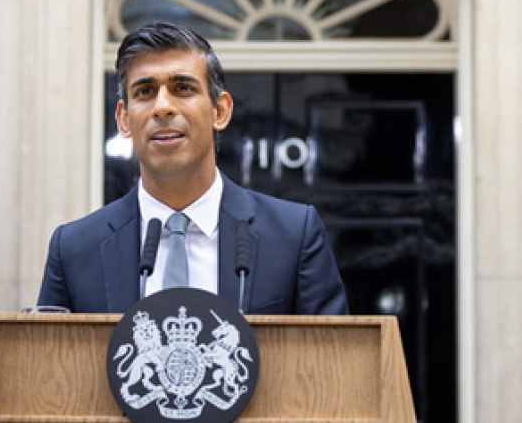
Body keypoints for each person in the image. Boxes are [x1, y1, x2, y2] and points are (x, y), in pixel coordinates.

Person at [37, 22, 348, 315]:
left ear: (220, 110)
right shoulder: (75, 249)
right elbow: (49, 368)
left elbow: (331, 363)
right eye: (145, 92)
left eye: (183, 88)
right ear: (123, 119)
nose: (162, 107)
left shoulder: (294, 236)